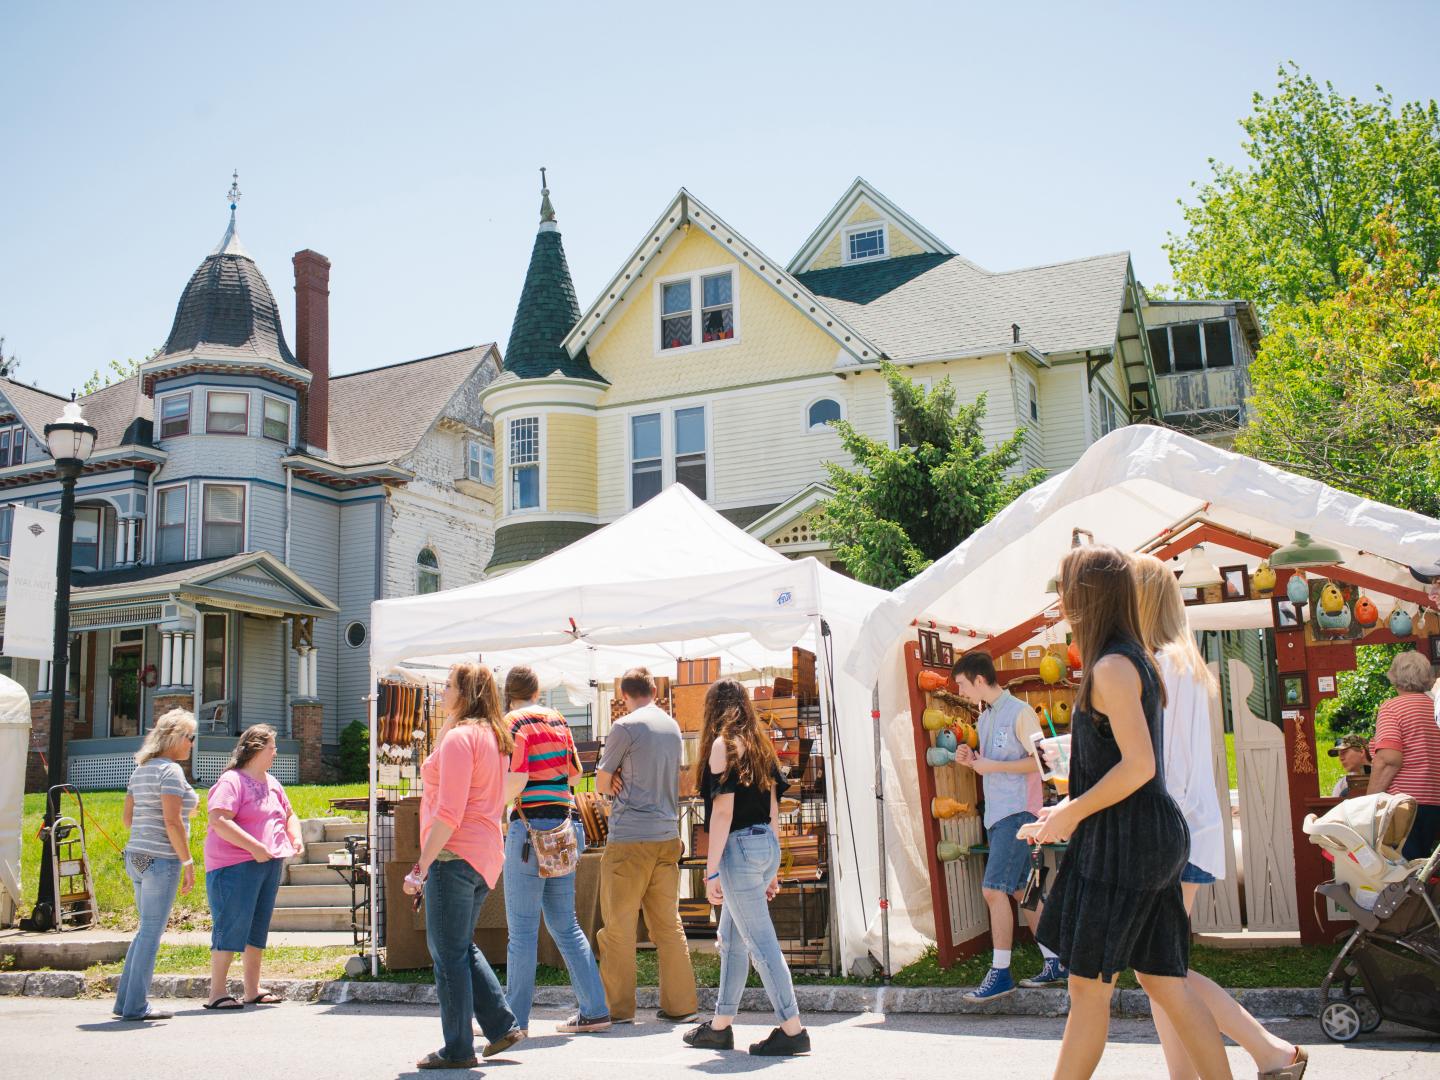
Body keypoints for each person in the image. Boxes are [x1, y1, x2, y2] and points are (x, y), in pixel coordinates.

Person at [1032, 544, 1232, 1080]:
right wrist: (1063, 810)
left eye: (1065, 591)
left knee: (1088, 988)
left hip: (1125, 843)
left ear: (1088, 596)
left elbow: (1140, 766)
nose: (1060, 603)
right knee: (1165, 980)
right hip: (1141, 837)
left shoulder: (1113, 666)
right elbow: (1121, 762)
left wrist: (1072, 811)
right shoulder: (1126, 658)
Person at [1133, 554, 1307, 1080]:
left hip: (1171, 831)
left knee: (1160, 970)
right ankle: (1258, 1056)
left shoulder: (1160, 664)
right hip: (1186, 828)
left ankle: (1270, 1051)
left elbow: (1166, 764)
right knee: (1160, 969)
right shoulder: (1176, 660)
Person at [403, 662, 525, 1069]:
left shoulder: (461, 738)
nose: (443, 693)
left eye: (449, 687)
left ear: (465, 693)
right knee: (458, 945)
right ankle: (502, 1025)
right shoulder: (493, 737)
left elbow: (449, 812)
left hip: (453, 854)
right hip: (482, 853)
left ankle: (458, 1048)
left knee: (448, 954)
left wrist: (420, 867)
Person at [682, 679, 810, 1056]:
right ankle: (720, 1026)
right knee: (733, 940)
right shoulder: (759, 743)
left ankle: (793, 1029)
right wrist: (771, 868)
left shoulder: (722, 746)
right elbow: (773, 809)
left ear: (713, 709)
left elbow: (722, 813)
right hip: (765, 844)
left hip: (739, 849)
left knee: (760, 943)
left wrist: (711, 871)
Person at [950, 650, 1067, 999]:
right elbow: (993, 764)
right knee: (1022, 891)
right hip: (1000, 815)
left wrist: (992, 766)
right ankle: (1056, 962)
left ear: (979, 680)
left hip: (1018, 813)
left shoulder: (1020, 712)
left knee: (993, 890)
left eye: (962, 684)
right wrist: (972, 760)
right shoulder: (985, 717)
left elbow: (1043, 764)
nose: (960, 691)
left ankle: (1001, 972)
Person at [501, 665, 610, 1035]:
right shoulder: (559, 719)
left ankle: (513, 1021)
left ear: (509, 693)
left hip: (529, 831)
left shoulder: (513, 722)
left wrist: (494, 803)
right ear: (537, 691)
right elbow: (575, 774)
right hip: (564, 827)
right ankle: (595, 1010)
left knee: (522, 932)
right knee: (566, 925)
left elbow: (517, 777)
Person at [595, 666, 699, 1024]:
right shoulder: (672, 726)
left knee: (618, 929)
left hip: (629, 838)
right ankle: (681, 1005)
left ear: (623, 695)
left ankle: (618, 1009)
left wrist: (615, 776)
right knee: (668, 926)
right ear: (655, 691)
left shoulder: (624, 727)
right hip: (667, 835)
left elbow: (602, 783)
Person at [203, 723, 302, 1011]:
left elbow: (289, 814)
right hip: (234, 865)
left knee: (256, 927)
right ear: (256, 749)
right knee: (231, 925)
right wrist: (254, 847)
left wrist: (295, 836)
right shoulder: (231, 781)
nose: (275, 752)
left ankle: (252, 989)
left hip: (268, 863)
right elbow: (219, 820)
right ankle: (217, 992)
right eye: (272, 747)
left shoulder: (272, 782)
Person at [113, 709, 198, 1022]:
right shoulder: (170, 771)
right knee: (151, 932)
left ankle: (125, 1002)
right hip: (162, 859)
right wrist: (187, 861)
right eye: (190, 737)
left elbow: (127, 819)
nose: (192, 743)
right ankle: (136, 1006)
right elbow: (172, 821)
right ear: (175, 738)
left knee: (144, 929)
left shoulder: (141, 769)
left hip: (136, 855)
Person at [1369, 650, 1440, 860]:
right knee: (1424, 864)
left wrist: (1370, 801)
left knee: (1405, 868)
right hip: (1436, 801)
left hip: (1405, 804)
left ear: (1394, 677)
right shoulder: (1435, 707)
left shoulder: (1392, 708)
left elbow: (1388, 759)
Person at [1328, 735, 1372, 799]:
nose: (1340, 758)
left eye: (1344, 752)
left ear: (1361, 752)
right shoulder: (1342, 784)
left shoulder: (1382, 774)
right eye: (1339, 755)